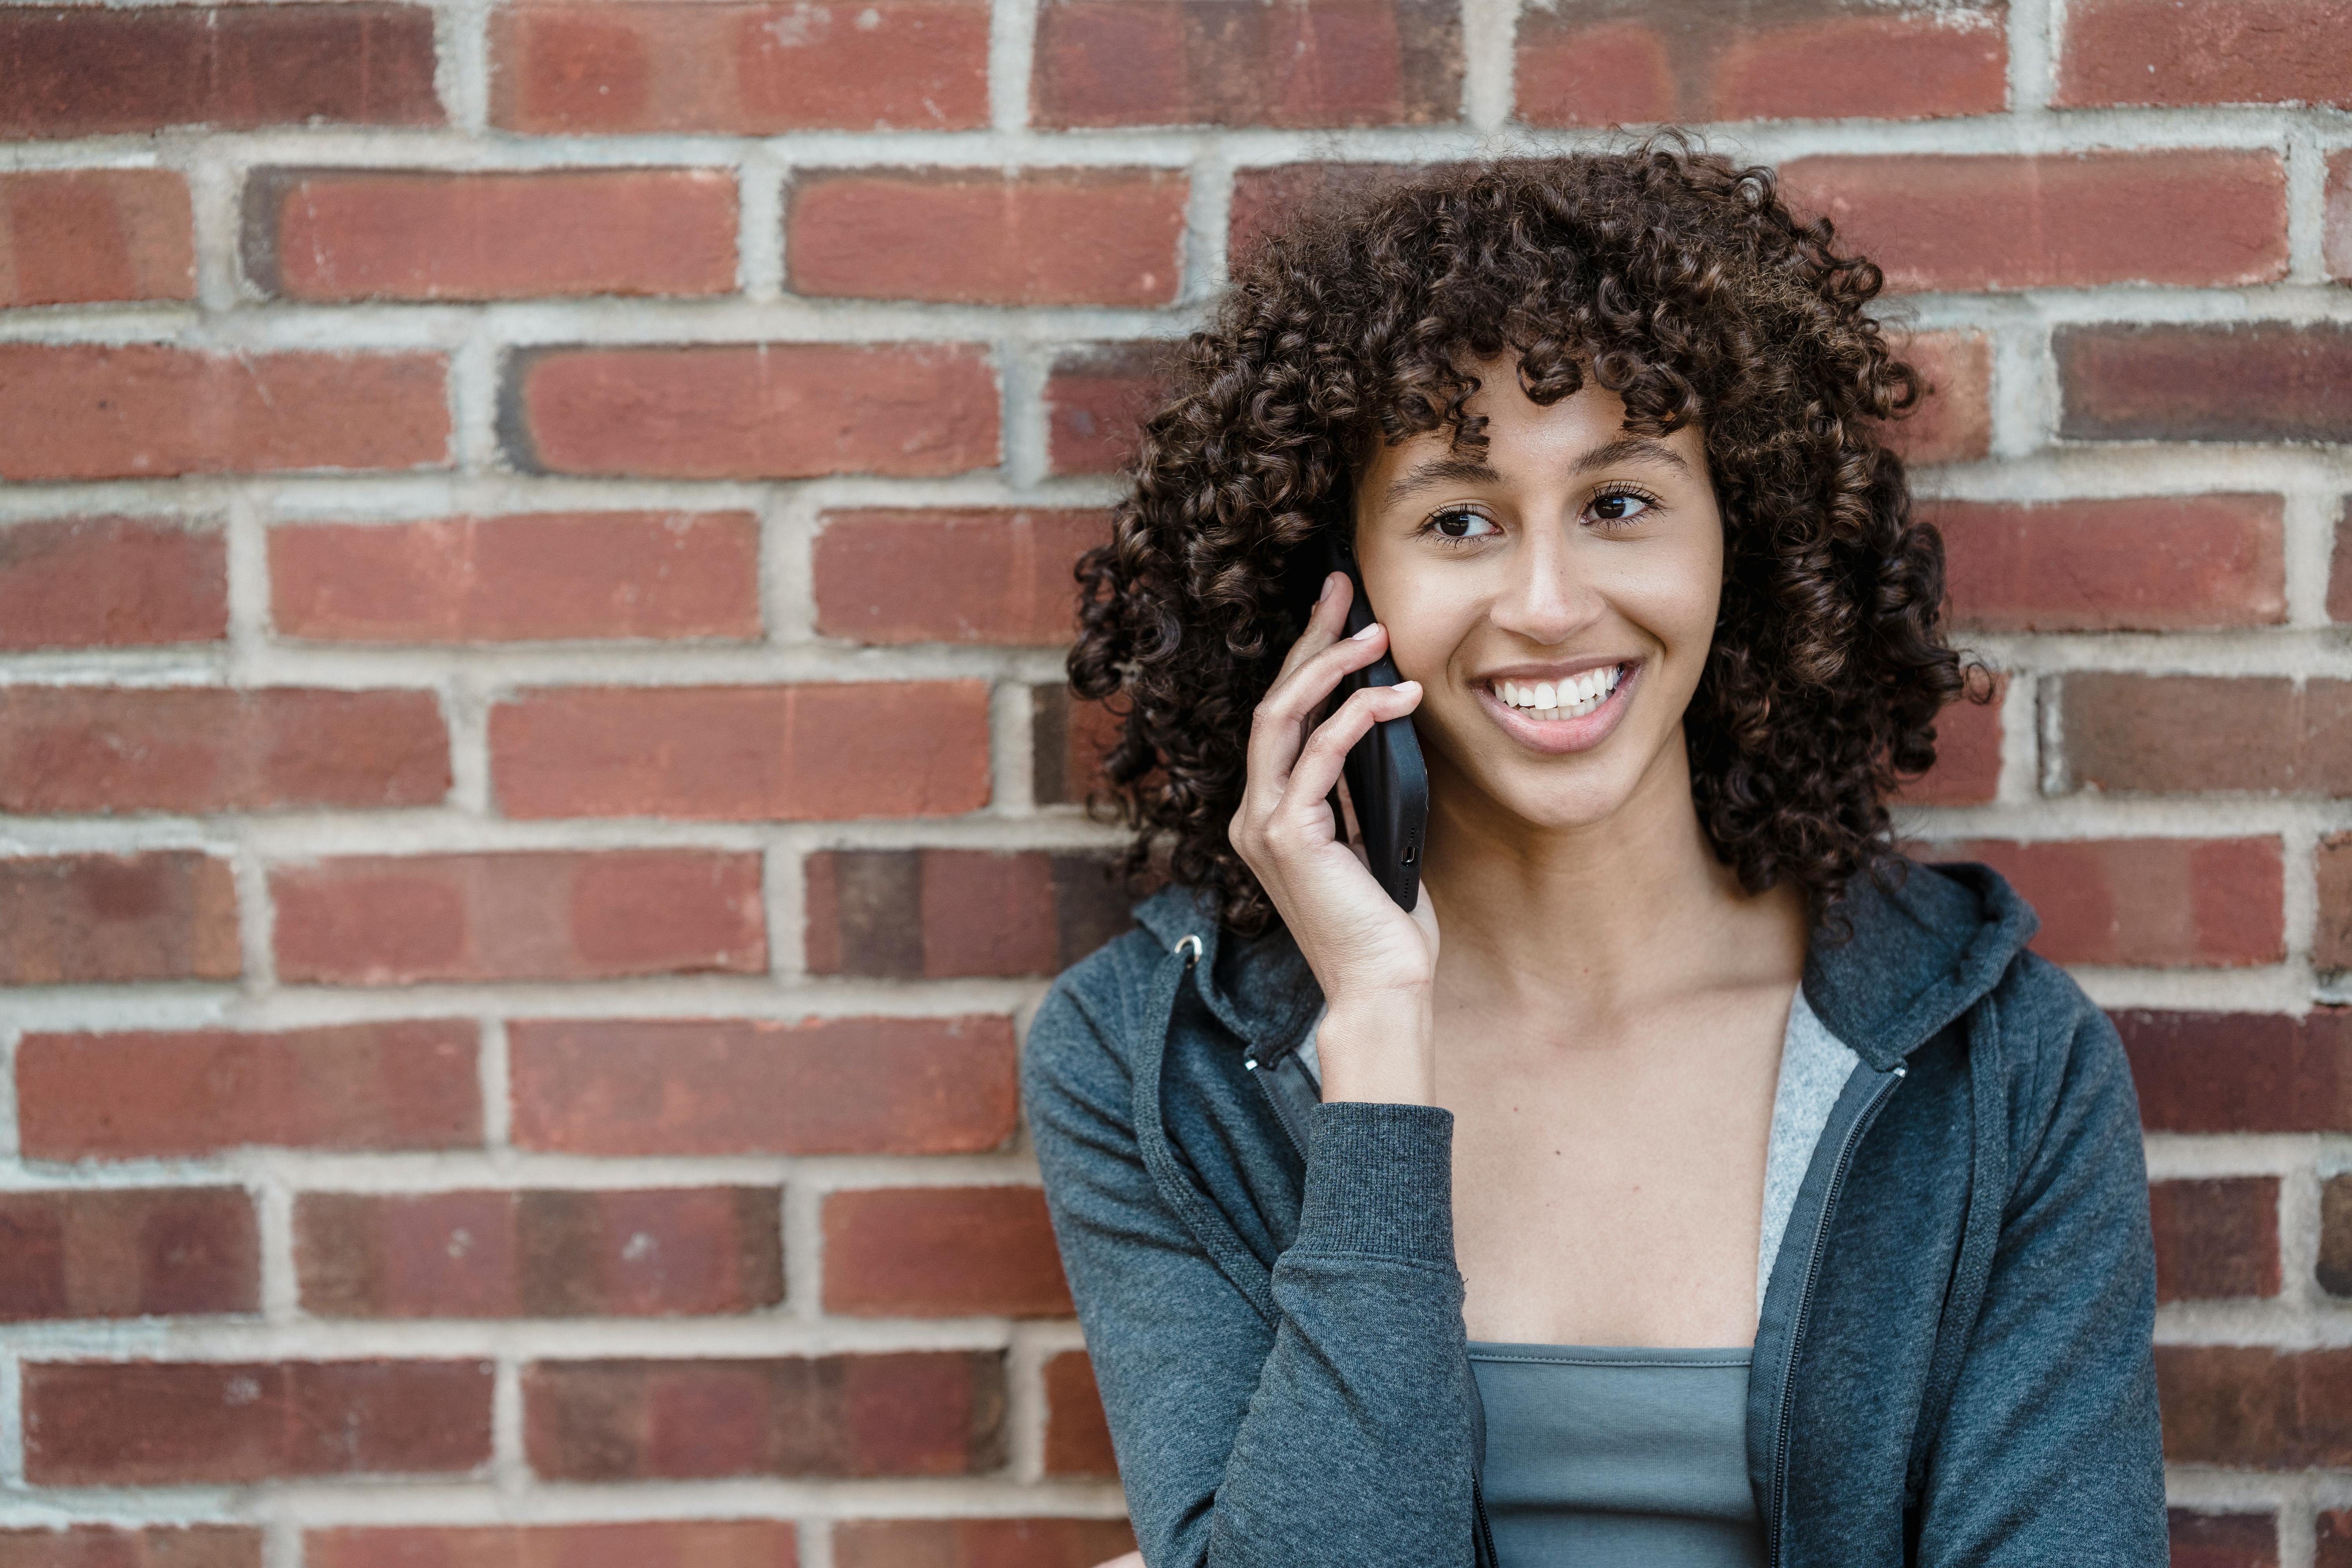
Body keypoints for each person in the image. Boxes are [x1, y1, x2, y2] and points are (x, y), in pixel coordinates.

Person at [1023, 147, 2166, 1567]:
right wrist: (1378, 1036)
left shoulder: (1998, 1069)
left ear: (1739, 535)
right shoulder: (1152, 1062)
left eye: (1620, 501)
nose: (1552, 603)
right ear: (1340, 590)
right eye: (1458, 520)